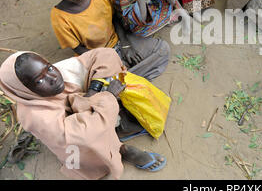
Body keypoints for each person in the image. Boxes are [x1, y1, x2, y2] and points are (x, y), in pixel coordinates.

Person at [0, 48, 166, 180]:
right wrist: (107, 97)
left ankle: (117, 140)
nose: (53, 77)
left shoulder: (57, 73)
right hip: (73, 140)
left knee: (105, 81)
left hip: (87, 116)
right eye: (39, 80)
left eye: (49, 67)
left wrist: (92, 92)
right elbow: (82, 135)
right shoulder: (34, 115)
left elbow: (104, 55)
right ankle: (121, 150)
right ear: (23, 90)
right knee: (92, 149)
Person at [42, 0, 170, 81]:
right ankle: (125, 79)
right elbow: (77, 48)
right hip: (95, 56)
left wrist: (125, 46)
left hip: (119, 42)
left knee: (162, 49)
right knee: (99, 79)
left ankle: (121, 80)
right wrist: (107, 59)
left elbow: (115, 18)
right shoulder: (59, 16)